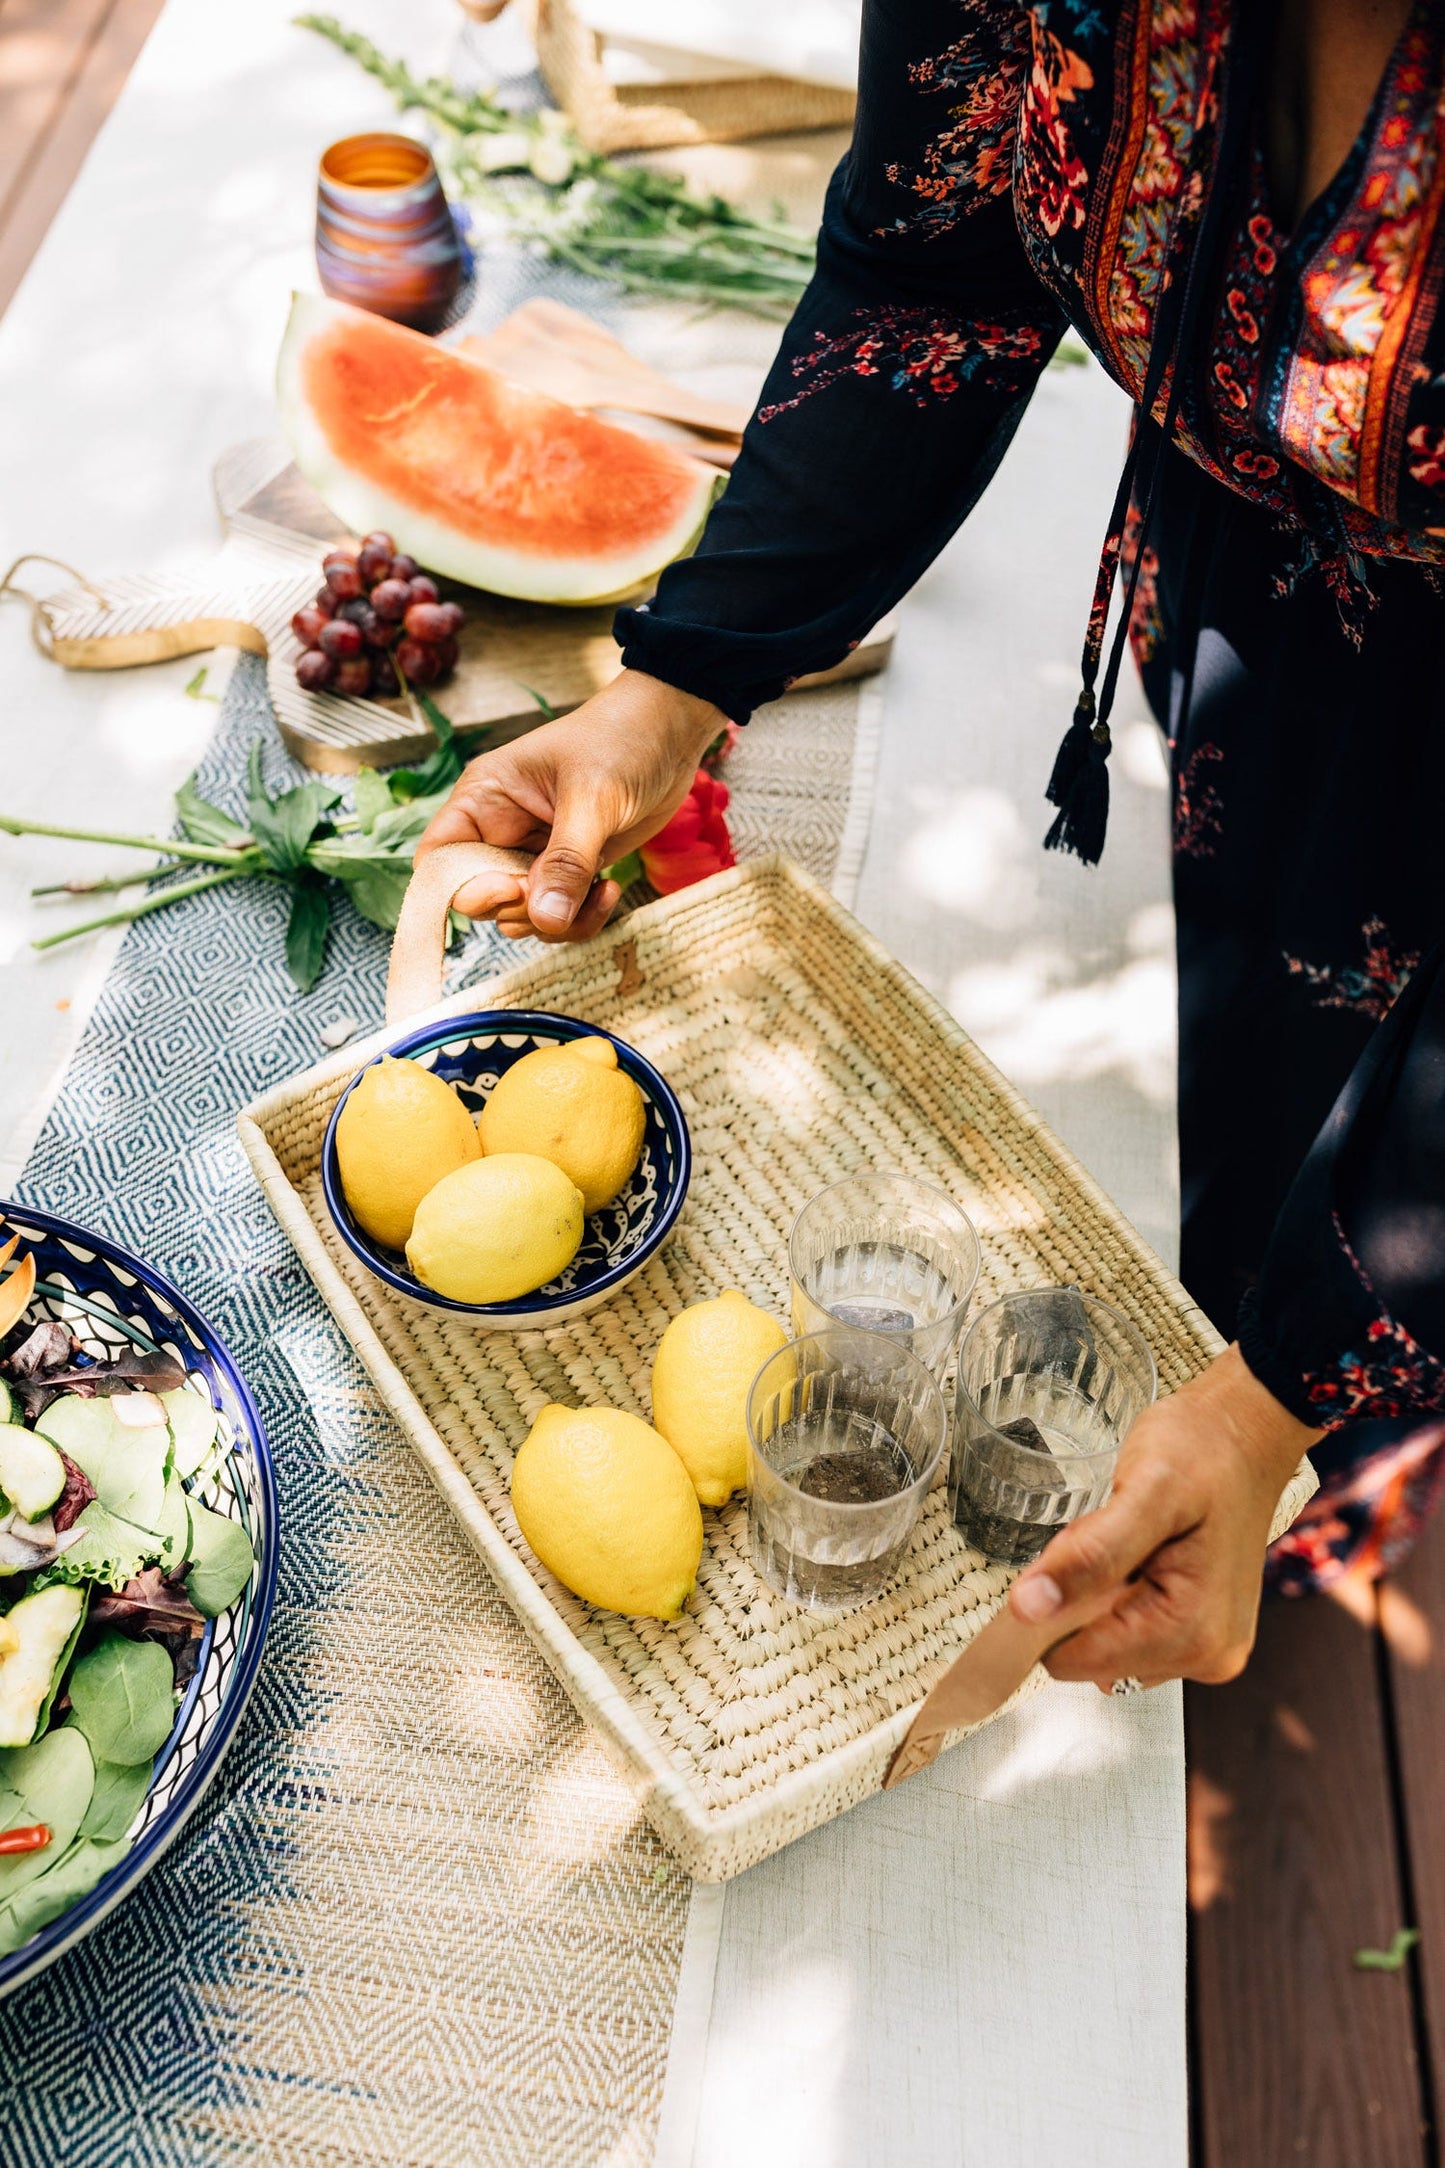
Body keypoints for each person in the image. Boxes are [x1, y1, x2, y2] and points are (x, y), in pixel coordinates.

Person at [419, 0, 1445, 1689]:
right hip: (1257, 622)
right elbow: (932, 269)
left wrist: (1275, 1401)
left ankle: (1320, 1492)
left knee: (1355, 1280)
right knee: (1255, 1066)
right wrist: (679, 680)